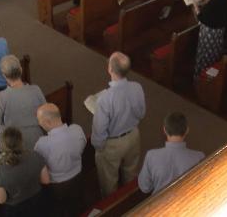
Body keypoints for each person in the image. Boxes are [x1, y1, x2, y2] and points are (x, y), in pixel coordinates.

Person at [92, 52, 146, 197]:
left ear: (110, 69)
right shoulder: (137, 87)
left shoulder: (105, 98)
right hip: (134, 136)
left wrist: (99, 148)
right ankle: (129, 199)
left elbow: (99, 130)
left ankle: (112, 206)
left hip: (113, 144)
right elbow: (141, 114)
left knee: (109, 180)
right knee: (131, 172)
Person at [35, 103, 87, 216]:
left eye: (40, 120)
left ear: (48, 122)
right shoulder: (77, 129)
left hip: (58, 187)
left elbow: (40, 168)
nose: (39, 123)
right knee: (79, 204)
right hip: (78, 176)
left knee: (61, 209)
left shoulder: (42, 144)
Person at [138, 112, 204, 195]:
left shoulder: (151, 156)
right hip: (186, 203)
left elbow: (144, 187)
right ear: (187, 130)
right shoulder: (199, 158)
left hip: (158, 205)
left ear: (164, 130)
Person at [0, 55, 46, 150]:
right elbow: (45, 112)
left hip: (13, 144)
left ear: (4, 75)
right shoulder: (36, 89)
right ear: (21, 69)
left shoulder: (1, 97)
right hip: (37, 140)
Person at [0, 127, 49, 217]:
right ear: (21, 141)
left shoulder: (0, 173)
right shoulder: (35, 156)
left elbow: (1, 200)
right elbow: (45, 180)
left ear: (3, 145)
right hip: (37, 203)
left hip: (15, 211)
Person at [194, 0, 227, 76]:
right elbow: (216, 4)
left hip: (209, 32)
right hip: (220, 31)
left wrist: (196, 6)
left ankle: (201, 75)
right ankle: (212, 69)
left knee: (205, 53)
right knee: (215, 51)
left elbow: (202, 18)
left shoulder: (212, 5)